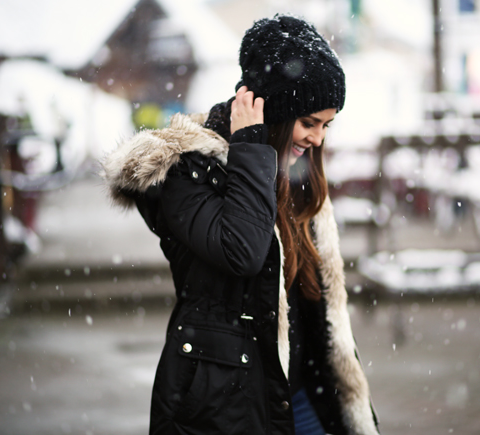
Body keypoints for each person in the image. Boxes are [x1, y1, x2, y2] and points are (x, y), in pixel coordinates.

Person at [102, 14, 378, 435]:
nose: (318, 139)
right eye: (309, 123)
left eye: (327, 125)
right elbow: (243, 252)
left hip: (304, 397)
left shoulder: (298, 176)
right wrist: (251, 145)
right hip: (227, 407)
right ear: (272, 113)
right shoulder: (188, 171)